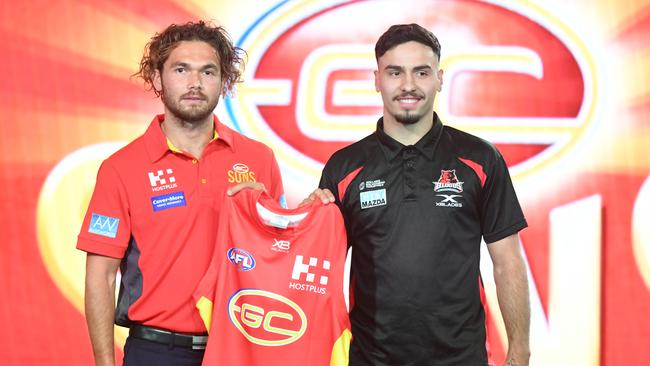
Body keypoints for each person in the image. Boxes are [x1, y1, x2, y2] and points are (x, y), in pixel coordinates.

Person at [310, 24, 531, 365]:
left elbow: (508, 263)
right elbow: (314, 266)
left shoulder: (481, 159)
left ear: (439, 78)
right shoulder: (344, 167)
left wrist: (519, 351)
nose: (408, 85)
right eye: (395, 72)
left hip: (462, 358)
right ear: (377, 79)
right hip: (370, 358)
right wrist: (263, 211)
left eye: (421, 72)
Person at [77, 21, 284, 366]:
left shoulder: (258, 159)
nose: (195, 84)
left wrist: (303, 215)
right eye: (181, 69)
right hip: (156, 350)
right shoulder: (121, 168)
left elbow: (278, 257)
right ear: (157, 79)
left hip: (241, 345)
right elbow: (100, 276)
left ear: (224, 81)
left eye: (208, 72)